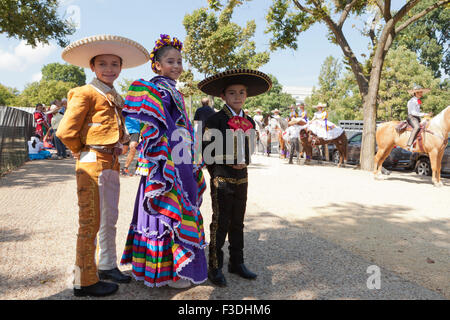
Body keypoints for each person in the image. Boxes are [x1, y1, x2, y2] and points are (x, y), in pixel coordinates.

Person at [56, 35, 150, 297]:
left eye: (114, 64)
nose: (109, 68)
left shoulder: (114, 94)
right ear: (92, 67)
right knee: (89, 221)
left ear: (120, 68)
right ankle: (82, 281)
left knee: (110, 217)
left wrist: (119, 144)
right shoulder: (84, 92)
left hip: (111, 160)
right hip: (91, 159)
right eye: (103, 64)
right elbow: (65, 131)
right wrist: (80, 151)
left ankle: (107, 265)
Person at [120, 34, 208, 289]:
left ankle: (166, 269)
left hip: (177, 158)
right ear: (156, 64)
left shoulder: (173, 91)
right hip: (167, 164)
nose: (177, 66)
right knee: (169, 210)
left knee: (174, 209)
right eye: (171, 61)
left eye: (180, 61)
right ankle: (170, 272)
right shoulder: (157, 88)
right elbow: (158, 126)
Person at [198, 68, 272, 287]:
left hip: (242, 178)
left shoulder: (249, 120)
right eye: (232, 93)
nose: (237, 96)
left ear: (246, 95)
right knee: (220, 223)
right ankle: (214, 266)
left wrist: (245, 160)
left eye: (241, 92)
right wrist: (226, 161)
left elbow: (249, 148)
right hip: (221, 179)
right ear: (223, 96)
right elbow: (206, 151)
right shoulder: (215, 120)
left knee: (238, 223)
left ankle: (236, 262)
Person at [406, 85, 432, 151]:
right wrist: (425, 114)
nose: (421, 94)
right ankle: (409, 144)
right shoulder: (411, 101)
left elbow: (417, 112)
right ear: (416, 93)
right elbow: (413, 112)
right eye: (420, 92)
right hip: (411, 117)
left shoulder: (417, 100)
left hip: (417, 118)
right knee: (417, 127)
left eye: (421, 92)